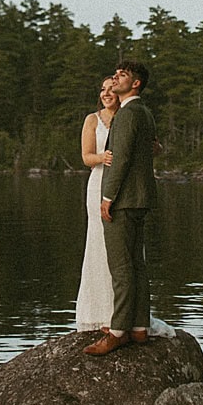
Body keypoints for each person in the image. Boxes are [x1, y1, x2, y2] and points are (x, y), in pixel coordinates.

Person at [85, 58, 160, 356]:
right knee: (137, 264)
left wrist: (108, 197)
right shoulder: (145, 112)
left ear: (136, 83)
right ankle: (139, 327)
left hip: (125, 200)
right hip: (142, 199)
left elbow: (121, 158)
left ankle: (118, 331)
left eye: (122, 75)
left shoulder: (128, 114)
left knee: (121, 266)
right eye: (114, 73)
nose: (116, 78)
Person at [71, 78, 119, 331]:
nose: (106, 93)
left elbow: (156, 147)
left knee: (122, 248)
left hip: (124, 186)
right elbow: (86, 157)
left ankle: (122, 314)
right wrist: (103, 157)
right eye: (102, 89)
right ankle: (98, 314)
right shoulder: (92, 120)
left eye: (111, 89)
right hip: (99, 183)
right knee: (98, 244)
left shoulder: (129, 115)